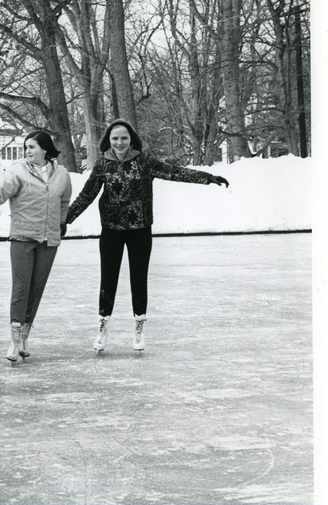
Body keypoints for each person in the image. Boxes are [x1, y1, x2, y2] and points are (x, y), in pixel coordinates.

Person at [64, 118, 230, 353]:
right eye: (115, 139)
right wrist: (66, 220)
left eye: (123, 138)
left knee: (138, 279)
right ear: (108, 141)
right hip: (111, 230)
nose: (119, 143)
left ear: (131, 139)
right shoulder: (102, 165)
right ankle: (103, 327)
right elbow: (86, 195)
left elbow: (174, 172)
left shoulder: (144, 162)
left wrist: (207, 178)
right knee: (107, 279)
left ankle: (138, 328)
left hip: (140, 230)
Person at [0, 131, 72, 365]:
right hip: (22, 238)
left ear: (45, 149)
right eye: (26, 147)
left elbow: (64, 201)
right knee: (21, 289)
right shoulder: (18, 171)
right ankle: (13, 341)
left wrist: (62, 223)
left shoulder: (61, 174)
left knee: (36, 290)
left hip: (49, 240)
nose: (27, 151)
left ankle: (24, 339)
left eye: (32, 147)